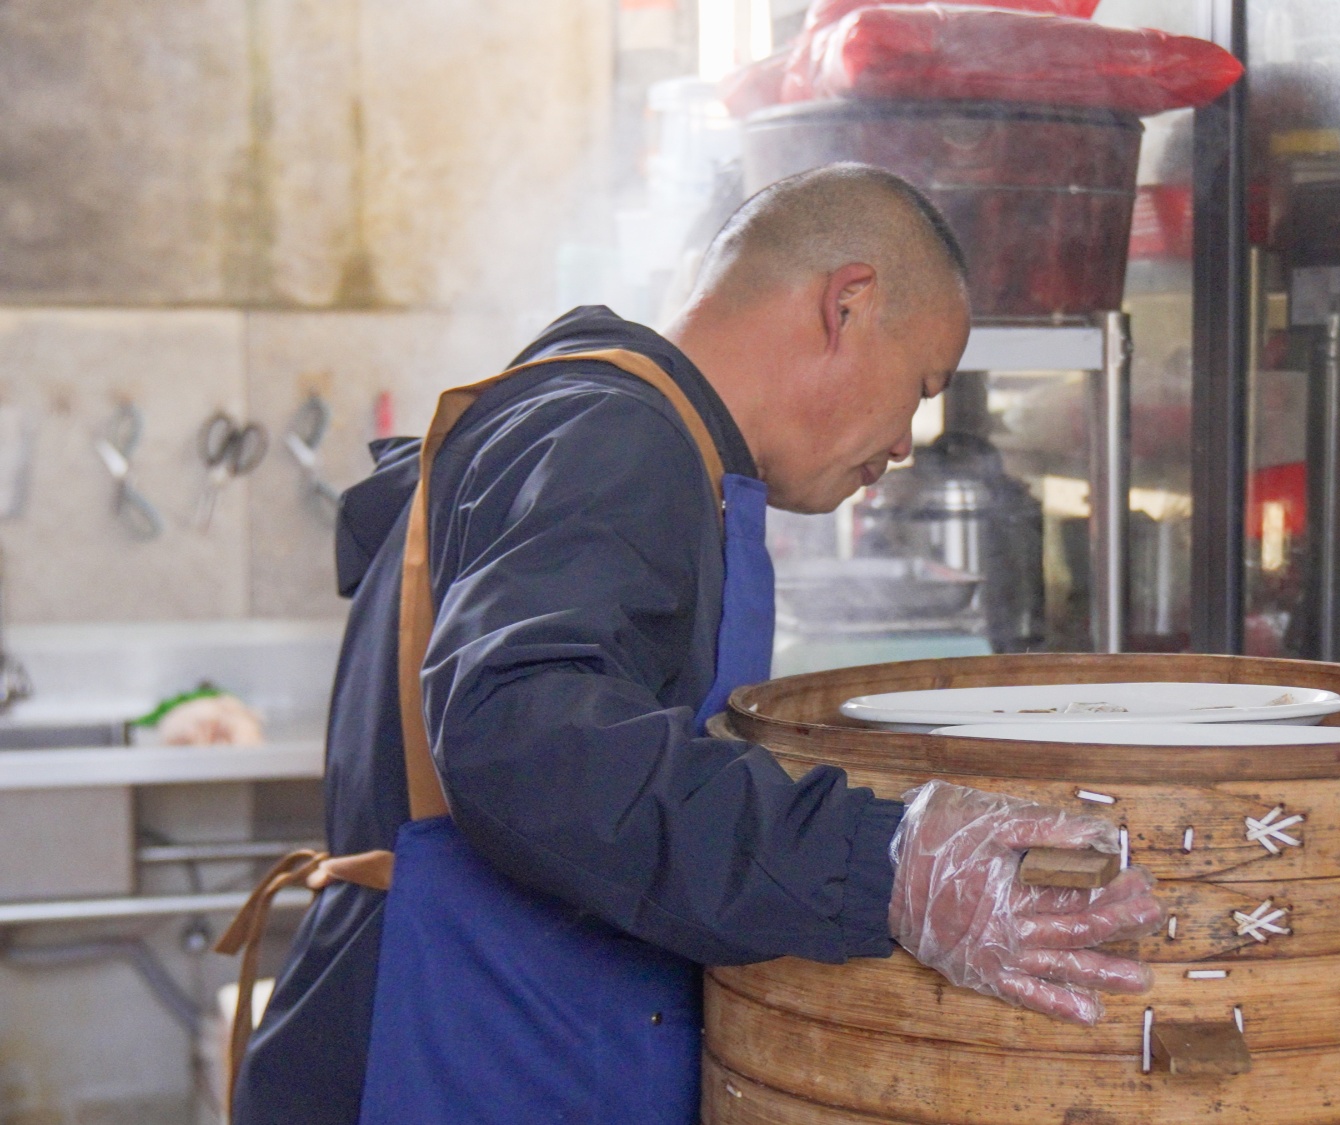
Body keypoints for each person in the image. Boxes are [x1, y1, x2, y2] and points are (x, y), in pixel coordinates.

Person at [226, 164, 1163, 1124]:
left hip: (449, 1024)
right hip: (444, 1053)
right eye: (921, 387)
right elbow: (526, 736)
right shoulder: (617, 437)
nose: (904, 443)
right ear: (847, 303)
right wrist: (884, 862)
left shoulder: (591, 414)